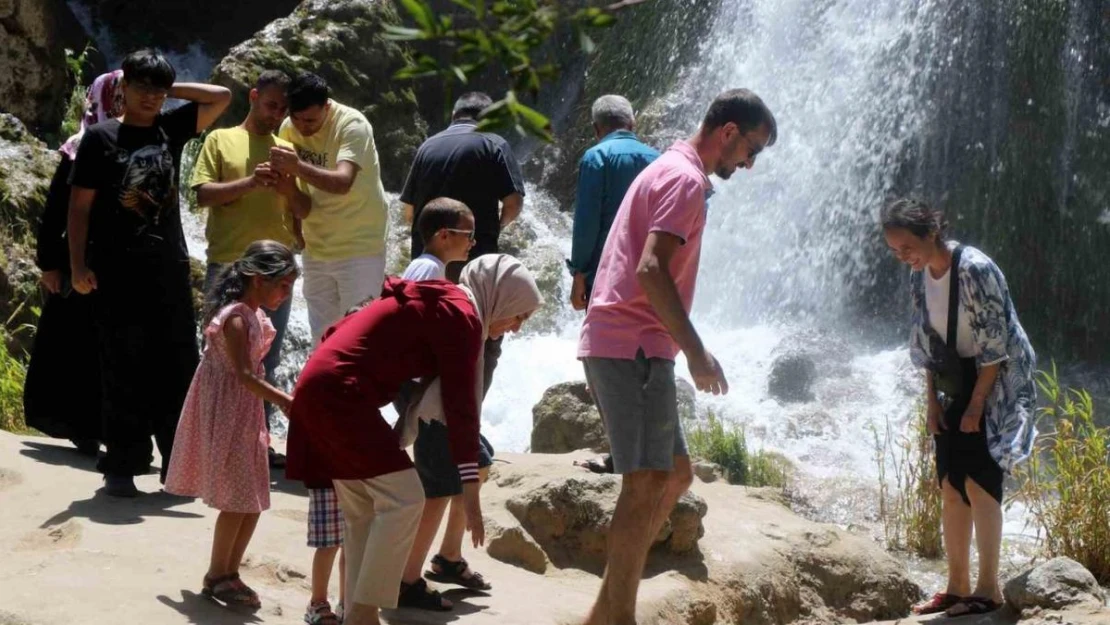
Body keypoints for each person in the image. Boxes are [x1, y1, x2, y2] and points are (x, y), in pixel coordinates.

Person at [577, 88, 776, 625]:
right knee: (644, 482)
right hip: (634, 343)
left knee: (675, 475)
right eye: (750, 149)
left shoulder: (670, 167)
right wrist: (697, 353)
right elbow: (649, 269)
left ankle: (604, 612)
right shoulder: (685, 181)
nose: (750, 164)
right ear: (728, 132)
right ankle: (620, 616)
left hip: (633, 341)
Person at [285, 254, 543, 625]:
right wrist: (470, 489)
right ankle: (362, 614)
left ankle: (357, 614)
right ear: (502, 297)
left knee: (364, 512)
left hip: (318, 385)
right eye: (520, 315)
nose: (517, 327)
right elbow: (460, 403)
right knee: (406, 498)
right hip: (341, 395)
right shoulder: (463, 315)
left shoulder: (447, 301)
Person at [67, 49, 231, 497]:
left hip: (168, 268)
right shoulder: (100, 138)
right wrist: (78, 265)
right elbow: (79, 207)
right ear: (122, 88)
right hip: (115, 270)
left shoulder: (170, 127)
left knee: (176, 365)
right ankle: (122, 464)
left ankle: (177, 469)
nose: (150, 97)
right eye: (142, 88)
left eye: (158, 91)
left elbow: (222, 96)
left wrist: (165, 87)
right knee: (122, 364)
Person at [882, 198, 1036, 618]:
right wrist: (932, 400)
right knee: (951, 484)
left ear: (930, 232)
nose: (903, 257)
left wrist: (977, 405)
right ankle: (956, 586)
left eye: (906, 247)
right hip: (953, 377)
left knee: (980, 482)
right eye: (895, 251)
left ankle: (989, 590)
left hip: (995, 378)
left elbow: (997, 345)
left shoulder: (975, 269)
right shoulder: (920, 276)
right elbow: (927, 344)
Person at [164, 240, 298, 609]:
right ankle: (216, 573)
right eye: (283, 285)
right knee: (237, 500)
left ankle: (230, 572)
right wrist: (284, 400)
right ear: (258, 279)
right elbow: (241, 374)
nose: (287, 294)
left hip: (247, 411)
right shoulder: (237, 317)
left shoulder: (254, 315)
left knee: (253, 499)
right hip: (232, 412)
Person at [191, 69, 308, 469]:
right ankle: (206, 441)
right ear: (254, 96)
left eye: (283, 109)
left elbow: (303, 209)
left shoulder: (286, 150)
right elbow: (203, 194)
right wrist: (250, 184)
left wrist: (288, 186)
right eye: (271, 104)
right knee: (217, 357)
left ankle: (258, 442)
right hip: (228, 264)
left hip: (276, 272)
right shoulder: (221, 139)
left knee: (268, 358)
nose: (276, 114)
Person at [396, 198, 495, 609]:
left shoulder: (437, 269)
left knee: (481, 461)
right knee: (436, 488)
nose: (473, 242)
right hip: (426, 393)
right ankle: (407, 581)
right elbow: (408, 323)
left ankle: (448, 556)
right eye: (468, 234)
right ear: (443, 235)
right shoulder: (427, 270)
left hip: (426, 387)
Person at [399, 91, 526, 408]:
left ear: (454, 116)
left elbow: (408, 211)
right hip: (476, 265)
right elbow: (513, 202)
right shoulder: (493, 142)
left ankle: (427, 421)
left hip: (430, 263)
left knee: (430, 341)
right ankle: (464, 423)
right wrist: (489, 230)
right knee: (483, 340)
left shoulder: (428, 146)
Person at [24, 69, 124, 455]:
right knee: (77, 347)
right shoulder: (79, 147)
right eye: (119, 96)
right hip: (79, 260)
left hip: (119, 260)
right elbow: (55, 212)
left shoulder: (137, 140)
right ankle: (82, 428)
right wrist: (51, 264)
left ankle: (110, 428)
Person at [272, 72, 390, 344]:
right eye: (296, 118)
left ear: (327, 106)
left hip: (360, 248)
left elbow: (342, 182)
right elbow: (294, 190)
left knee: (359, 338)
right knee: (321, 339)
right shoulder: (288, 128)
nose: (302, 127)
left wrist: (296, 165)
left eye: (311, 120)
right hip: (316, 248)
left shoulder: (353, 125)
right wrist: (297, 230)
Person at [567, 95, 660, 310]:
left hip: (606, 275)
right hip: (649, 276)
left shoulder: (596, 157)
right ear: (632, 123)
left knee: (606, 340)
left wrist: (578, 274)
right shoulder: (658, 159)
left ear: (596, 128)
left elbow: (586, 223)